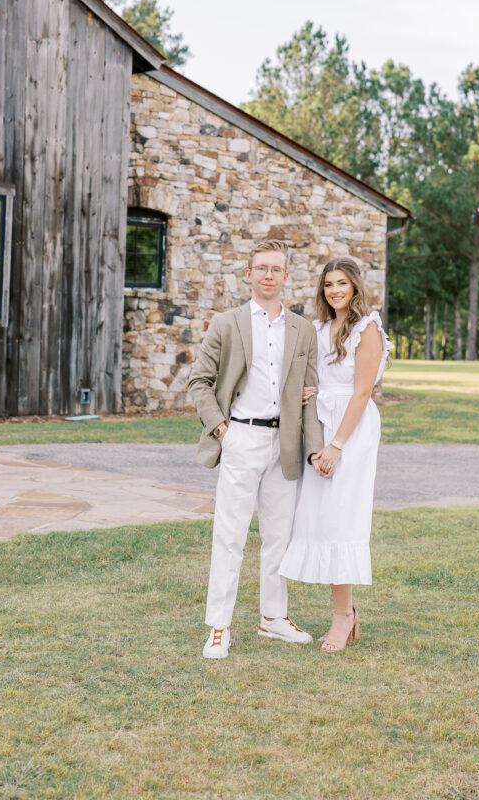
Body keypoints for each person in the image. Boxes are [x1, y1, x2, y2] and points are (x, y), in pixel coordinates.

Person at [188, 239, 324, 660]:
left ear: (286, 277)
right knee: (229, 536)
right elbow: (199, 382)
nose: (269, 275)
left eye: (276, 269)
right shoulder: (226, 323)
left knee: (278, 537)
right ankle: (218, 626)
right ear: (248, 274)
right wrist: (223, 432)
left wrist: (315, 449)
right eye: (261, 268)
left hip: (285, 443)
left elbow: (311, 393)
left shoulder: (303, 330)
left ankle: (273, 618)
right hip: (241, 439)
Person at [279, 257, 393, 653]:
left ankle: (343, 616)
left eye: (342, 282)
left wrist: (337, 445)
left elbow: (362, 392)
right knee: (321, 520)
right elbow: (315, 378)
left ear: (355, 286)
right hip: (321, 428)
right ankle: (344, 610)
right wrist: (311, 395)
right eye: (328, 284)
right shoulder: (318, 328)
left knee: (341, 520)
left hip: (350, 432)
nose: (334, 290)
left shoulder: (367, 328)